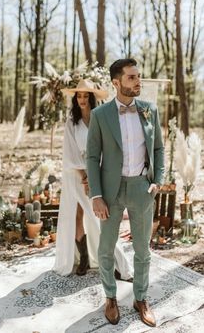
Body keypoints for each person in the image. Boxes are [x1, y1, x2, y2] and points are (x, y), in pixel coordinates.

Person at [87, 59, 164, 327]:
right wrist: (96, 195)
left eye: (139, 77)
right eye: (132, 78)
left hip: (142, 188)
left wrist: (158, 180)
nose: (138, 82)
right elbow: (93, 156)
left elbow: (159, 150)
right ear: (116, 83)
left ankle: (140, 298)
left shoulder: (149, 110)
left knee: (143, 250)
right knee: (106, 248)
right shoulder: (100, 115)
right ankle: (110, 297)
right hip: (110, 190)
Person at [53, 79, 133, 280]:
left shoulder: (99, 118)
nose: (81, 99)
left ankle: (119, 265)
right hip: (76, 175)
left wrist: (96, 174)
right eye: (78, 96)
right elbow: (70, 154)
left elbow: (106, 147)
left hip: (97, 172)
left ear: (91, 98)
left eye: (85, 96)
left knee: (102, 218)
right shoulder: (72, 122)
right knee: (77, 215)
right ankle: (83, 260)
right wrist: (85, 176)